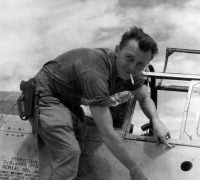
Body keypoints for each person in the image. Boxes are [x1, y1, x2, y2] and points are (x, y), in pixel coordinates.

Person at [32, 26, 173, 180]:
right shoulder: (95, 74)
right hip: (44, 96)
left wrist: (155, 120)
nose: (133, 67)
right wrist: (134, 168)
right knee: (69, 152)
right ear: (118, 50)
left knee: (82, 166)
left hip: (68, 103)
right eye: (129, 58)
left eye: (140, 64)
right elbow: (107, 133)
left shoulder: (132, 74)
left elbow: (144, 98)